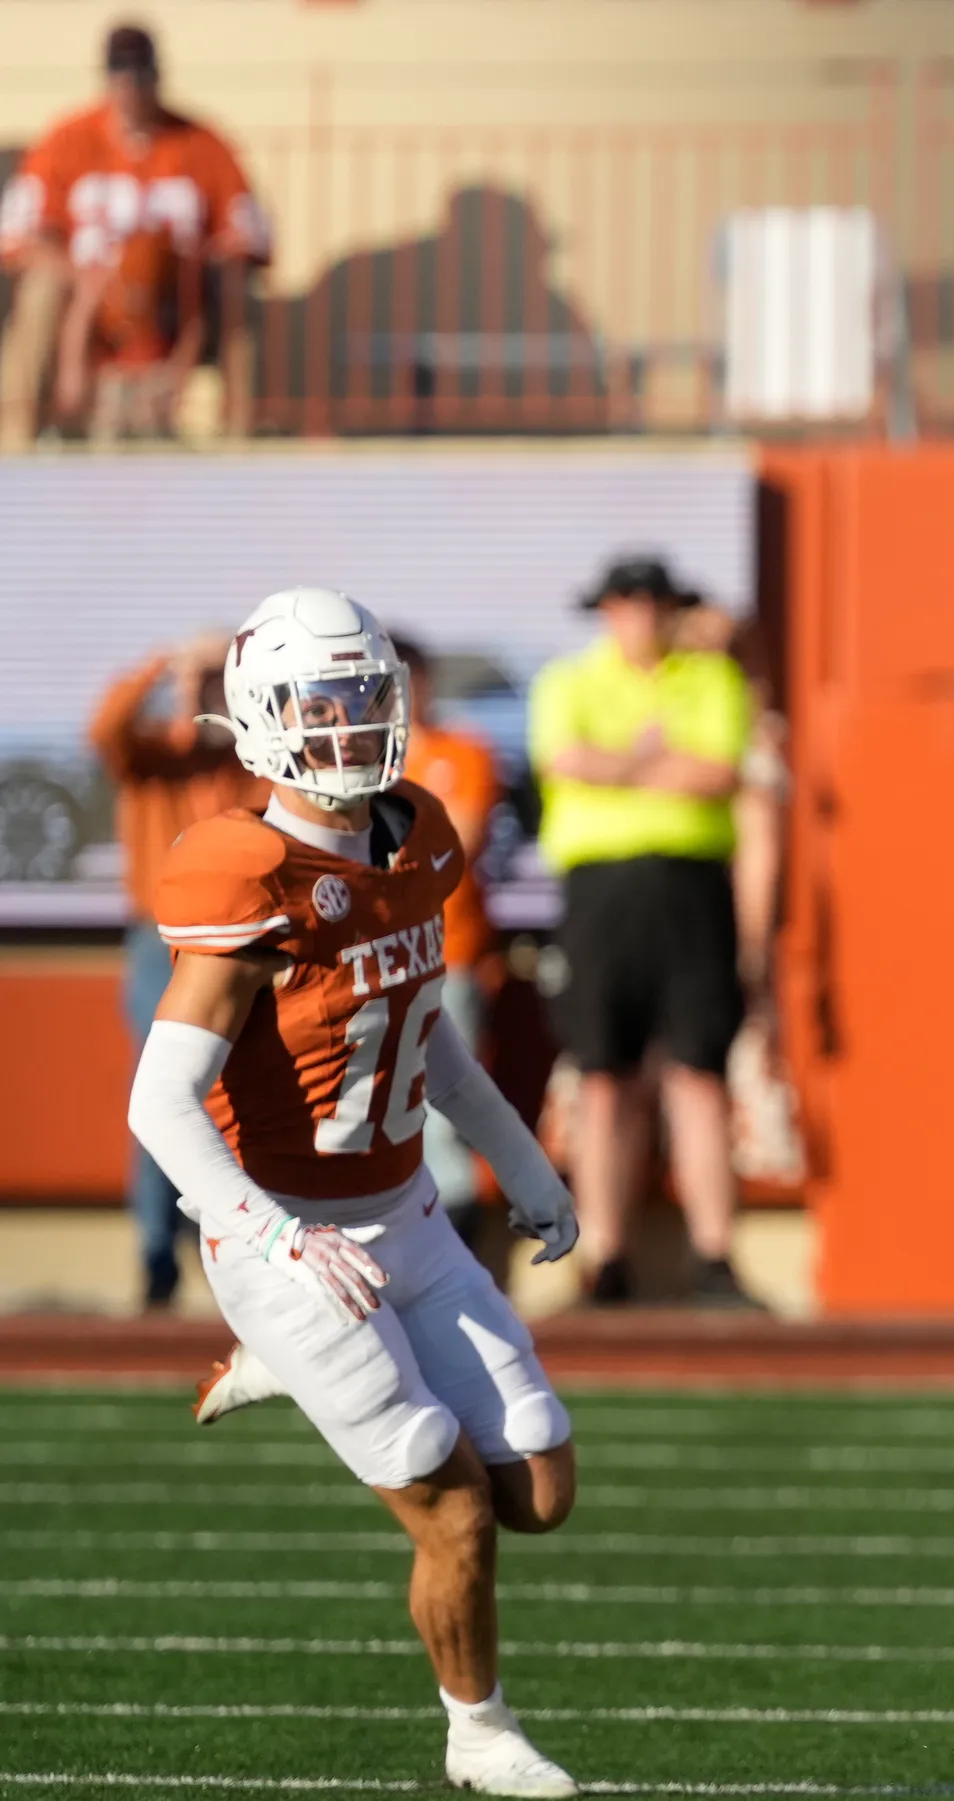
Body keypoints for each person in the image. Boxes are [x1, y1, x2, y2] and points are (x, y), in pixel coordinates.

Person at [127, 588, 583, 1798]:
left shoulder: (418, 833)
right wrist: (270, 1238)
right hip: (284, 1232)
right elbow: (158, 1103)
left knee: (537, 1487)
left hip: (405, 1215)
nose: (347, 725)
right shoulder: (248, 871)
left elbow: (427, 1041)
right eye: (316, 705)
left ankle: (288, 1359)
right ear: (260, 719)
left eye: (362, 695)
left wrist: (522, 1165)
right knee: (453, 1510)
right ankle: (477, 1732)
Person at [527, 556, 755, 1306]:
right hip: (602, 893)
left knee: (700, 1072)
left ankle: (714, 1255)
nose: (642, 621)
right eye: (627, 605)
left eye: (655, 605)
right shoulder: (568, 680)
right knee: (603, 1077)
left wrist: (620, 764)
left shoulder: (711, 678)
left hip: (690, 888)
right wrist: (654, 758)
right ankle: (607, 1256)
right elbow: (565, 759)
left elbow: (719, 772)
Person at [87, 632, 266, 1307]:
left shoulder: (252, 761)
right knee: (160, 1092)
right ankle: (157, 1251)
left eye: (218, 680)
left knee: (240, 1095)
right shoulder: (154, 757)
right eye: (202, 681)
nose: (204, 694)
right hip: (158, 941)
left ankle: (228, 1243)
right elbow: (106, 727)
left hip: (239, 941)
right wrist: (165, 661)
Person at [0, 24, 271, 446]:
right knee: (40, 290)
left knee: (236, 290)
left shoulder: (201, 144)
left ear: (157, 78)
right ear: (106, 79)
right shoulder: (67, 140)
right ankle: (12, 440)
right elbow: (16, 236)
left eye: (140, 77)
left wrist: (187, 268)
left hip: (175, 307)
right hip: (91, 305)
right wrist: (88, 281)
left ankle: (239, 439)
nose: (130, 89)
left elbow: (250, 237)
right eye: (120, 76)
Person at [394, 637, 506, 1244]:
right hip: (366, 964)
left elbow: (453, 845)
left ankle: (454, 1242)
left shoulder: (464, 752)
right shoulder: (352, 762)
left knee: (442, 1107)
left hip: (448, 955)